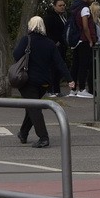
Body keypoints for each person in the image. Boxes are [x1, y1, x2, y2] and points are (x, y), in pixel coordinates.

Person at [13, 16, 70, 149]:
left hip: (28, 80)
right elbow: (59, 62)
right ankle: (23, 132)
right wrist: (70, 79)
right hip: (44, 82)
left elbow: (16, 55)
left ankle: (43, 137)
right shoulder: (50, 43)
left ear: (30, 26)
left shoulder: (26, 40)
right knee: (32, 106)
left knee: (34, 108)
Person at [68, 0, 97, 98]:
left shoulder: (75, 7)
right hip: (83, 40)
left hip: (75, 40)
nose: (92, 1)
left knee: (75, 65)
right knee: (83, 65)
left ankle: (73, 89)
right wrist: (90, 40)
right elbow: (85, 26)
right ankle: (82, 89)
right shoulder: (84, 8)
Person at [42, 0, 68, 97]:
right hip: (54, 46)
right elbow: (47, 31)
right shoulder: (49, 17)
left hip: (62, 45)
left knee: (59, 68)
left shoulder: (63, 16)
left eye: (63, 5)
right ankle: (50, 89)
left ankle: (57, 89)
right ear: (54, 6)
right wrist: (54, 42)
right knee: (52, 68)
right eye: (60, 5)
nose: (62, 7)